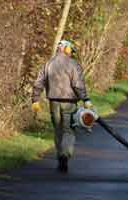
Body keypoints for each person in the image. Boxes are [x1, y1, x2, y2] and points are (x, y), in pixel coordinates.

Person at [31, 40, 93, 173]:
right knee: (68, 130)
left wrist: (35, 100)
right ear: (65, 49)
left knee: (58, 130)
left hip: (53, 102)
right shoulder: (73, 64)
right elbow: (78, 84)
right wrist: (85, 99)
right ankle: (65, 154)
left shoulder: (48, 64)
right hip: (69, 102)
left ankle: (60, 156)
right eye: (71, 50)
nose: (71, 53)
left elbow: (39, 82)